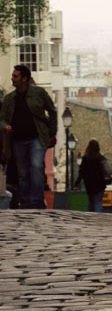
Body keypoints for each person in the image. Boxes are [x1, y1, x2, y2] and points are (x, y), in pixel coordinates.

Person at [0, 64, 57, 209]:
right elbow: (2, 118)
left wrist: (52, 132)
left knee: (36, 167)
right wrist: (5, 126)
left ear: (24, 79)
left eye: (15, 76)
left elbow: (52, 110)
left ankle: (36, 202)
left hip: (36, 138)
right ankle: (25, 202)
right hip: (18, 140)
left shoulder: (39, 93)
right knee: (23, 172)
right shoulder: (9, 98)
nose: (12, 78)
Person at [74, 138, 112, 213]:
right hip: (100, 183)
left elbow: (81, 172)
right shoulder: (101, 158)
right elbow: (109, 171)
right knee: (98, 202)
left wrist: (76, 184)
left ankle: (91, 217)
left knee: (91, 202)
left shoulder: (85, 159)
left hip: (89, 184)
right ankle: (98, 217)